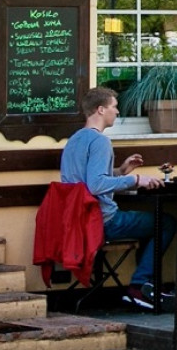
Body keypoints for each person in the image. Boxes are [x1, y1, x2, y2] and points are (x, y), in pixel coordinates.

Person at [60, 86, 166, 309]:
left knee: (152, 224)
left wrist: (121, 171)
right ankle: (140, 286)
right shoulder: (100, 141)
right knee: (165, 223)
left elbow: (87, 180)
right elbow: (96, 185)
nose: (117, 112)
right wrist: (136, 179)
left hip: (78, 221)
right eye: (114, 107)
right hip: (102, 220)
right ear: (100, 110)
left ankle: (144, 285)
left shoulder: (74, 140)